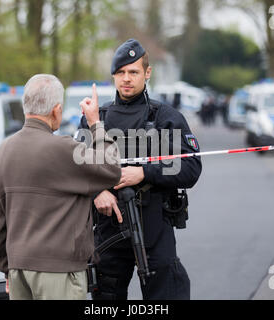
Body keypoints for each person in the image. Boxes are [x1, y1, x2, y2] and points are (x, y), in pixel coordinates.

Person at [78, 39, 202, 300]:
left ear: (147, 73)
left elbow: (191, 167)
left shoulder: (166, 117)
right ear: (113, 76)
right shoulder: (95, 117)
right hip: (109, 227)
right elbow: (76, 171)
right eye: (120, 73)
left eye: (133, 72)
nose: (126, 79)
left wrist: (145, 173)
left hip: (155, 226)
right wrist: (97, 191)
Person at [0, 74, 121, 300]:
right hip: (60, 270)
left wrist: (7, 266)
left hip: (19, 269)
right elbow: (110, 168)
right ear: (57, 110)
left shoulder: (4, 150)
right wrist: (96, 123)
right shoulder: (64, 149)